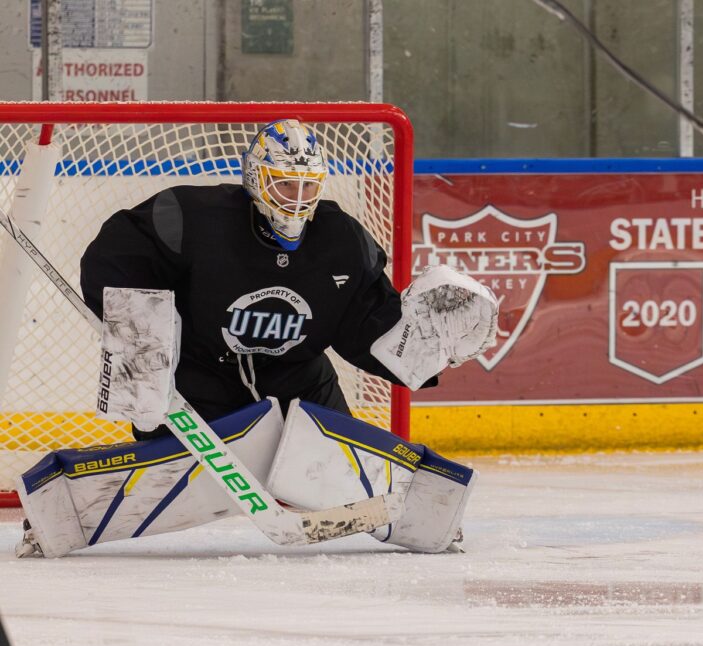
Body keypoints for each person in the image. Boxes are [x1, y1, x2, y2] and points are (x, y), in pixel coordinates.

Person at [15, 119, 497, 558]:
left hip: (300, 383)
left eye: (308, 186)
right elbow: (118, 253)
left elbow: (368, 324)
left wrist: (424, 347)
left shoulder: (342, 241)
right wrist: (139, 335)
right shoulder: (191, 218)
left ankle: (427, 517)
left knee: (340, 472)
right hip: (199, 380)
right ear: (255, 178)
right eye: (285, 183)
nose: (296, 197)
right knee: (166, 476)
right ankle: (58, 516)